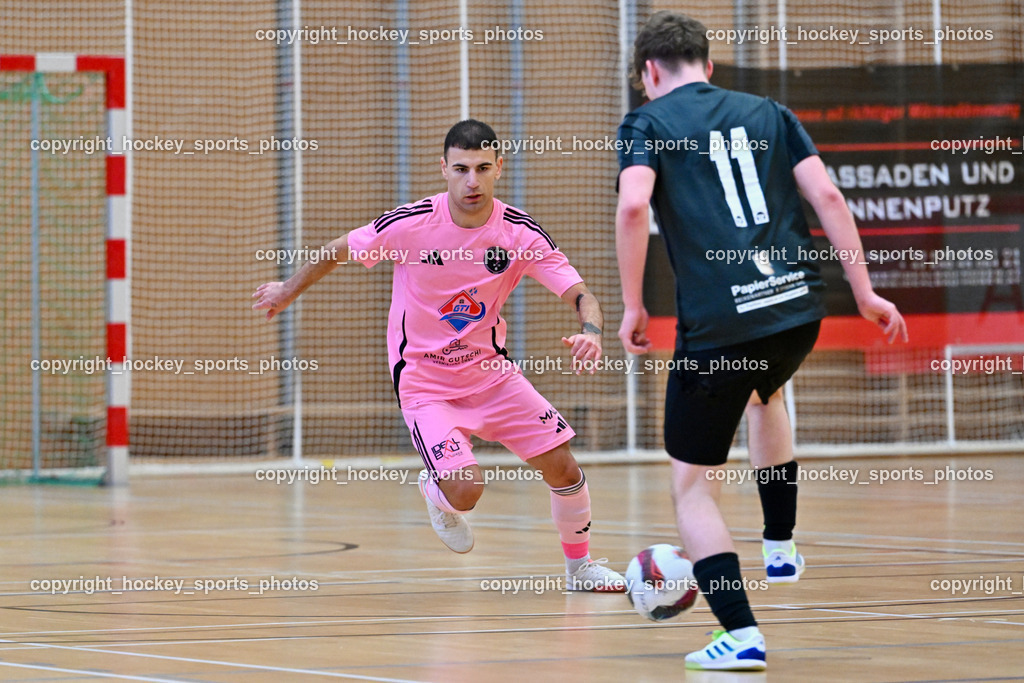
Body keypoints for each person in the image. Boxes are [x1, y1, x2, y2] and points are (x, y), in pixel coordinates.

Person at [614, 12, 908, 671]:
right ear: (709, 66)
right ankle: (779, 544)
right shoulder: (770, 110)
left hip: (721, 324)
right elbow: (828, 196)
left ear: (649, 74)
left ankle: (741, 633)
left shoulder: (647, 123)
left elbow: (634, 207)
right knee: (764, 390)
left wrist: (634, 304)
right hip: (799, 309)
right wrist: (864, 293)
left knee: (692, 488)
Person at [254, 119, 626, 593]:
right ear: (444, 168)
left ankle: (581, 570)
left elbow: (581, 294)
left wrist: (590, 331)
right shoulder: (411, 223)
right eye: (461, 169)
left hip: (493, 377)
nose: (472, 180)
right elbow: (336, 249)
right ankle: (436, 489)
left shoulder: (518, 233)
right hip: (426, 384)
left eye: (482, 168)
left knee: (564, 468)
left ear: (498, 169)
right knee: (466, 492)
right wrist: (287, 290)